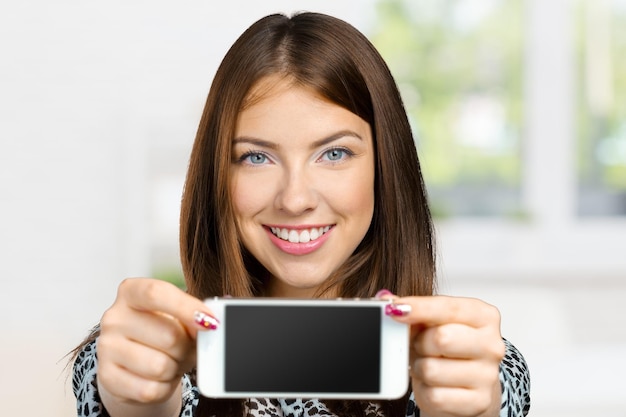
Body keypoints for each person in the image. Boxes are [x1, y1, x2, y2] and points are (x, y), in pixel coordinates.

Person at [71, 11, 530, 417]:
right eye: (255, 157)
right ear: (217, 175)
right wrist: (142, 408)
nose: (294, 199)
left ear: (384, 168)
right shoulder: (134, 350)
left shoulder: (477, 366)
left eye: (333, 153)